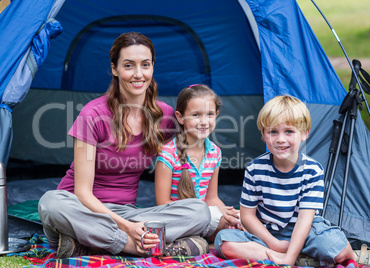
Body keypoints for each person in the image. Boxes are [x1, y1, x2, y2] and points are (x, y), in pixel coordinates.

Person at [38, 32, 211, 259]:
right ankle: (137, 246)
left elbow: (193, 157)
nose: (138, 74)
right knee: (50, 202)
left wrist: (216, 210)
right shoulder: (93, 114)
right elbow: (81, 193)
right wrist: (128, 230)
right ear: (114, 69)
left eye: (145, 65)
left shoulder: (165, 117)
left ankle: (89, 245)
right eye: (129, 65)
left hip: (127, 213)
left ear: (152, 68)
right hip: (81, 212)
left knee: (200, 211)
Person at [214, 95, 358, 266]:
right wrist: (273, 243)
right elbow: (247, 216)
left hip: (306, 232)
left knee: (337, 249)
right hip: (268, 233)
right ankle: (282, 255)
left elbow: (305, 220)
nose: (280, 139)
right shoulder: (254, 169)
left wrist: (288, 259)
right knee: (224, 241)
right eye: (273, 131)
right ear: (263, 135)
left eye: (289, 131)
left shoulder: (312, 170)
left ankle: (293, 255)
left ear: (304, 134)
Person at [154, 84, 242, 244]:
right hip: (178, 220)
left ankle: (198, 240)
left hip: (205, 217)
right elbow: (162, 205)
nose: (203, 122)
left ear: (217, 114)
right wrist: (202, 213)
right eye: (196, 115)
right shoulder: (168, 154)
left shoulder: (215, 153)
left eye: (209, 114)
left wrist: (227, 213)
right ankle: (193, 240)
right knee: (205, 214)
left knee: (241, 220)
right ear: (180, 117)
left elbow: (212, 198)